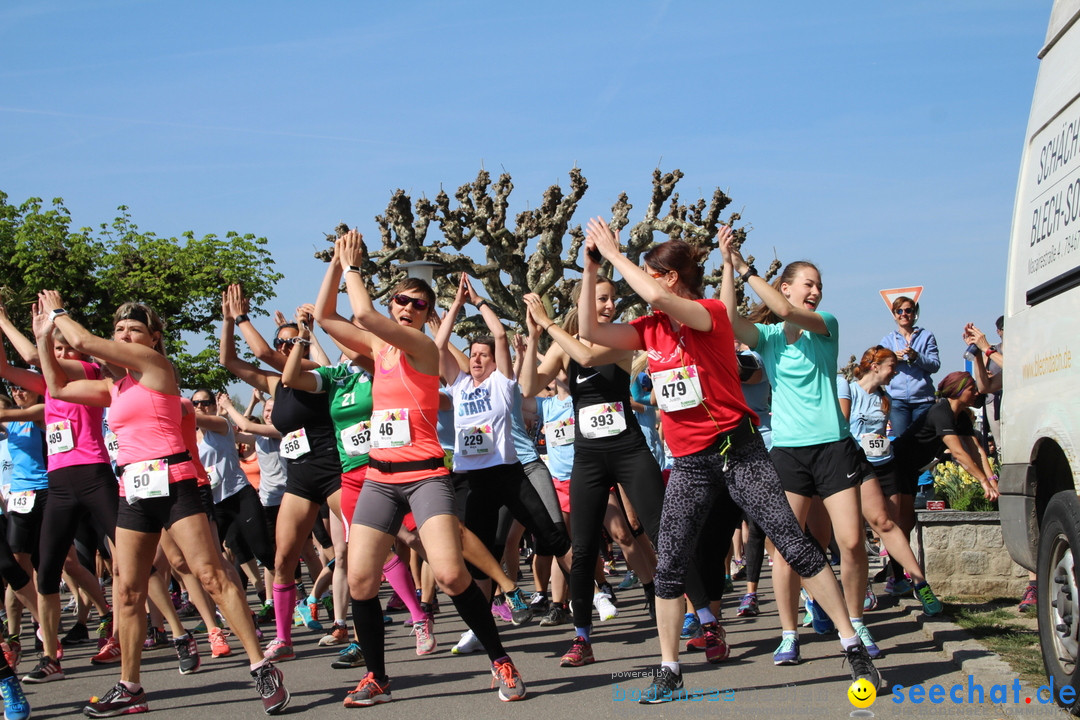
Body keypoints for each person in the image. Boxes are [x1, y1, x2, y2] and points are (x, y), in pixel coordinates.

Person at [578, 217, 880, 701]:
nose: (644, 284)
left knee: (795, 545)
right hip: (692, 463)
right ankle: (670, 666)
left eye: (650, 273)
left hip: (738, 450)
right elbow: (590, 331)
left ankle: (852, 646)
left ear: (670, 278)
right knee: (671, 564)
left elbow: (656, 297)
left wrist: (616, 255)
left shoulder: (710, 313)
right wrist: (592, 269)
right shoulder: (649, 329)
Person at [34, 293, 288, 716]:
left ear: (153, 339)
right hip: (133, 490)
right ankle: (131, 686)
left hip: (175, 482)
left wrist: (60, 314)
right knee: (128, 589)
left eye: (133, 329)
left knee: (209, 575)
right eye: (119, 330)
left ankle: (260, 666)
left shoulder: (157, 370)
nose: (124, 335)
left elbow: (84, 343)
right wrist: (44, 339)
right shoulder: (112, 388)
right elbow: (57, 386)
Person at [315, 230, 526, 705]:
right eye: (401, 301)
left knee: (451, 576)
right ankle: (377, 676)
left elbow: (363, 312)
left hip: (426, 475)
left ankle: (501, 659)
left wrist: (353, 268)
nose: (406, 307)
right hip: (379, 478)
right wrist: (334, 263)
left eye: (417, 303)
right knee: (362, 580)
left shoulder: (423, 349)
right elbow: (328, 317)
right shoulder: (377, 349)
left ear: (429, 314)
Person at [520, 277, 664, 667]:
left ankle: (698, 614)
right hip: (587, 460)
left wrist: (549, 325)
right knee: (582, 548)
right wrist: (535, 337)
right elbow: (529, 385)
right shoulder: (562, 346)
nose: (610, 305)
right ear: (583, 302)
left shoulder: (619, 338)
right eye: (601, 298)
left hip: (629, 450)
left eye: (612, 299)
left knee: (655, 531)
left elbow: (585, 356)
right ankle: (582, 637)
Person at [219, 285, 345, 663]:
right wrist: (228, 322)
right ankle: (285, 639)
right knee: (283, 557)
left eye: (294, 343)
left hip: (334, 470)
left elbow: (260, 352)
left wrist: (243, 318)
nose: (288, 349)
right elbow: (231, 361)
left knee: (375, 543)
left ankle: (420, 615)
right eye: (283, 343)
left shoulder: (318, 375)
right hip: (300, 480)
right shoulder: (276, 384)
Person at [836, 346, 942, 625]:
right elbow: (842, 427)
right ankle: (865, 586)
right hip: (857, 464)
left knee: (891, 525)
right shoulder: (848, 389)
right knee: (857, 532)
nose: (895, 371)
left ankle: (916, 582)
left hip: (885, 463)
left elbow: (882, 433)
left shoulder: (886, 398)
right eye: (892, 365)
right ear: (874, 366)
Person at [880, 296, 940, 436]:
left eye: (908, 310)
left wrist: (916, 357)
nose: (903, 314)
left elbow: (935, 366)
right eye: (899, 311)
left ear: (914, 314)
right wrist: (894, 358)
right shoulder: (887, 340)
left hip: (923, 401)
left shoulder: (927, 336)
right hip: (897, 401)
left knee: (922, 443)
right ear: (894, 315)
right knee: (902, 442)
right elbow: (879, 367)